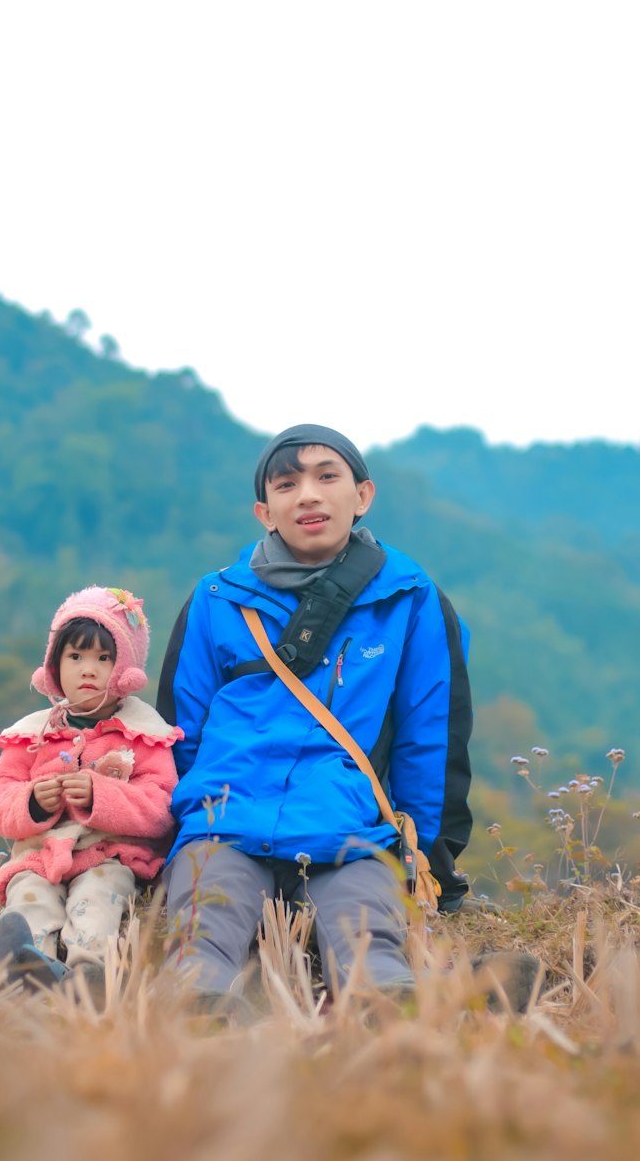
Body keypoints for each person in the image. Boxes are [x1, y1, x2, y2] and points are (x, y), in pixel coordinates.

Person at [155, 423, 474, 1010]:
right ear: (264, 511)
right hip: (225, 822)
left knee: (371, 948)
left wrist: (427, 852)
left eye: (327, 477)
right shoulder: (217, 598)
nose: (308, 494)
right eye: (287, 483)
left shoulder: (409, 597)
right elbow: (180, 733)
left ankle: (397, 1011)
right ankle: (205, 1022)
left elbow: (431, 738)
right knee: (203, 942)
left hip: (350, 828)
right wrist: (182, 831)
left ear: (363, 496)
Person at [0, 585, 182, 989]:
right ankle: (28, 965)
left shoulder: (144, 735)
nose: (88, 669)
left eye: (103, 658)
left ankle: (87, 972)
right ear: (55, 666)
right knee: (29, 895)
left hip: (109, 857)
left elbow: (162, 807)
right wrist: (33, 804)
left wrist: (101, 796)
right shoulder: (32, 734)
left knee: (98, 901)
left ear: (125, 669)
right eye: (75, 656)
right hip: (41, 857)